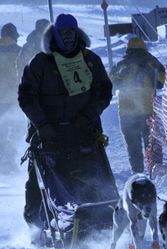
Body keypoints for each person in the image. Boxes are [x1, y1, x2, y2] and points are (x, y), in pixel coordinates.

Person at [18, 13, 112, 234]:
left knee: (91, 175)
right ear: (56, 34)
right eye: (63, 32)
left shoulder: (90, 60)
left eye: (71, 31)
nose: (68, 36)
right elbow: (27, 98)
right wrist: (43, 125)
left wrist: (88, 116)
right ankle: (36, 223)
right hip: (48, 134)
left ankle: (101, 216)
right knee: (41, 179)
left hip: (83, 131)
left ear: (77, 32)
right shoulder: (40, 63)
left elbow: (103, 92)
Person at [109, 37, 165, 174]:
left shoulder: (121, 65)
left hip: (127, 112)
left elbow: (109, 85)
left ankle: (137, 172)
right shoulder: (152, 63)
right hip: (148, 111)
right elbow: (162, 82)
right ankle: (155, 170)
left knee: (133, 145)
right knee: (152, 144)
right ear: (144, 48)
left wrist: (119, 77)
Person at [0, 23, 22, 171]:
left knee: (6, 130)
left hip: (7, 98)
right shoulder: (20, 52)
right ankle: (7, 158)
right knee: (13, 129)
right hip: (13, 98)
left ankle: (6, 157)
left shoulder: (19, 51)